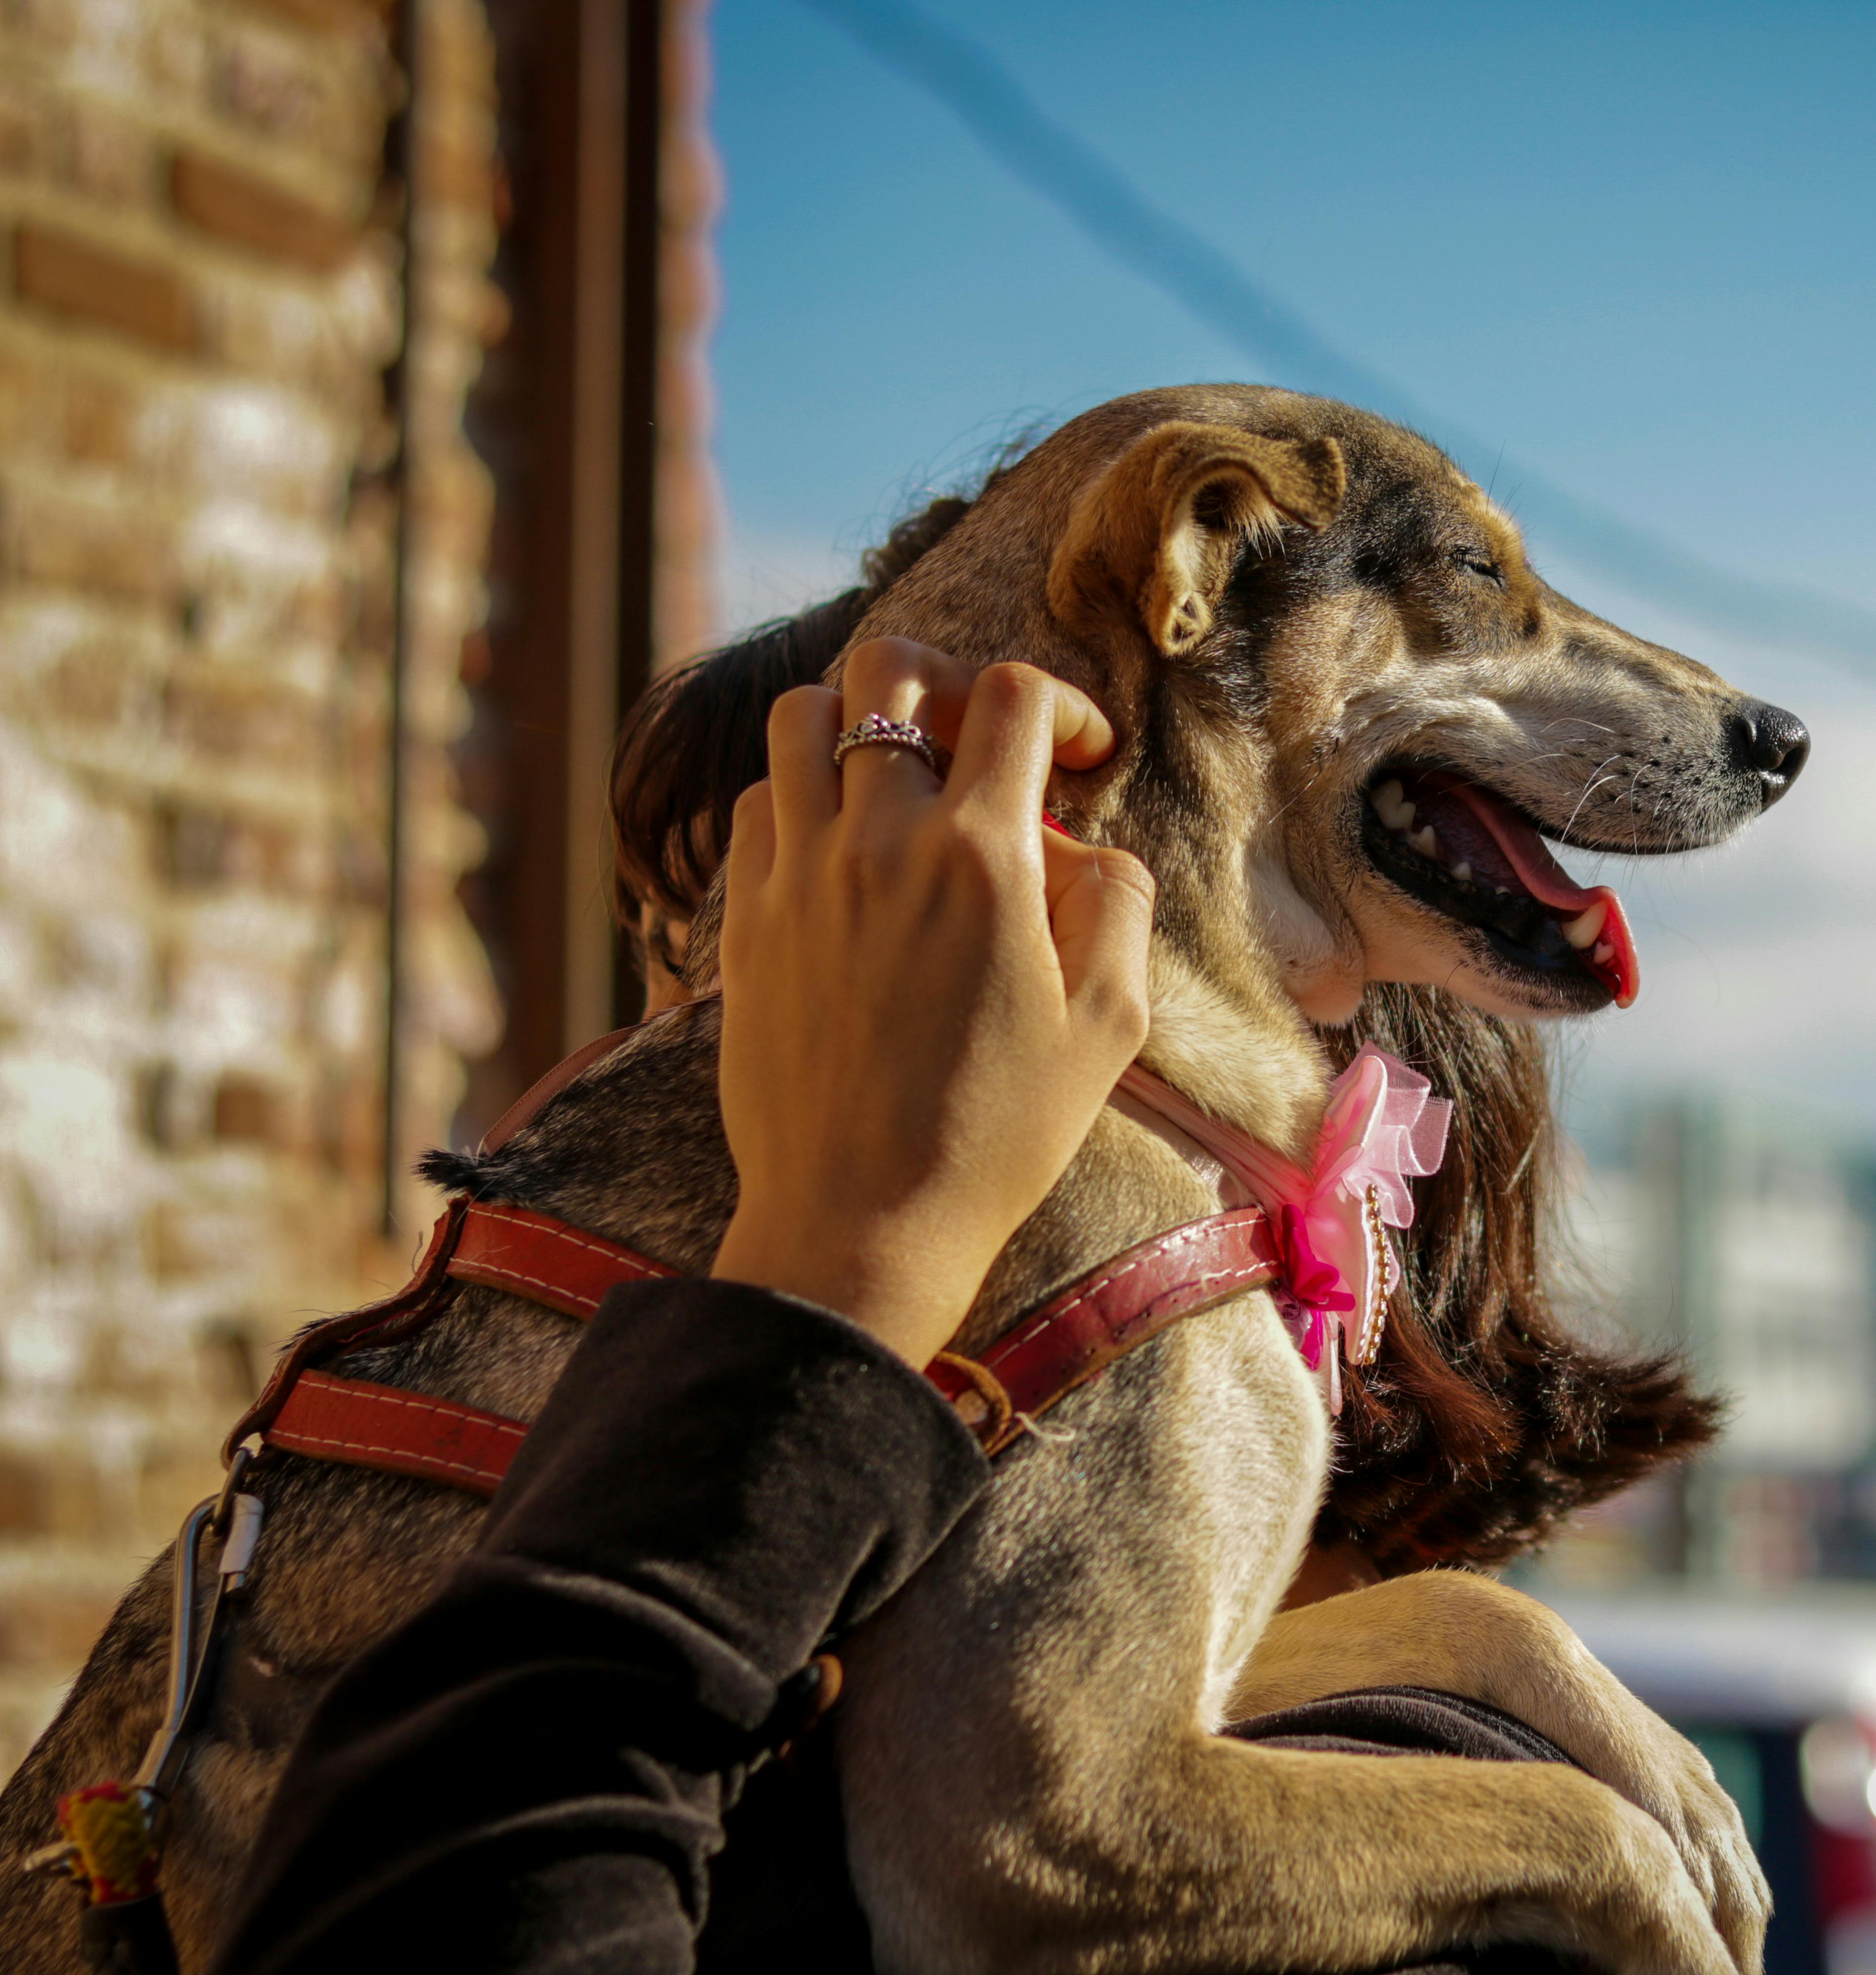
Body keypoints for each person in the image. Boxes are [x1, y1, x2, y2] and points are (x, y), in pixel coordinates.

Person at [207, 644, 1582, 1974]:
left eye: (880, 1003)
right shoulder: (854, 1730)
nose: (680, 1114)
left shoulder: (1381, 1861)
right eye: (702, 1010)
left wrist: (842, 1267)